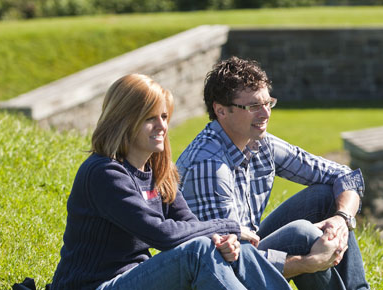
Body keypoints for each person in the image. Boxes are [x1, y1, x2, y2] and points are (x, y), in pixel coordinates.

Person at [50, 74, 290, 290]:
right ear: (123, 120)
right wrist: (228, 227)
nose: (162, 126)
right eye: (150, 118)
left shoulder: (157, 171)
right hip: (95, 285)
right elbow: (162, 234)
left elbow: (187, 222)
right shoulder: (104, 173)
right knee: (197, 253)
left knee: (235, 249)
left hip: (135, 278)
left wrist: (220, 240)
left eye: (164, 117)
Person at [176, 56, 370, 290]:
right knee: (303, 235)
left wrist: (342, 219)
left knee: (327, 196)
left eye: (268, 103)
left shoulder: (259, 143)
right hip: (216, 274)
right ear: (221, 111)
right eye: (253, 106)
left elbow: (343, 176)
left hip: (249, 248)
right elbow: (230, 261)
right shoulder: (208, 165)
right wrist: (305, 263)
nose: (265, 114)